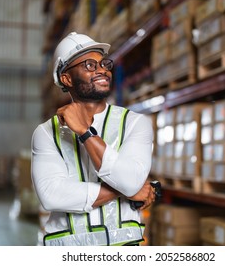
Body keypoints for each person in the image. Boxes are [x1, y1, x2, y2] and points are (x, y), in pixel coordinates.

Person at [31, 32, 155, 246]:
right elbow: (51, 195)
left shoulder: (134, 123)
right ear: (66, 78)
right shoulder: (45, 133)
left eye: (104, 64)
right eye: (89, 65)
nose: (102, 70)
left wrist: (84, 132)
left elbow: (132, 181)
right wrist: (127, 191)